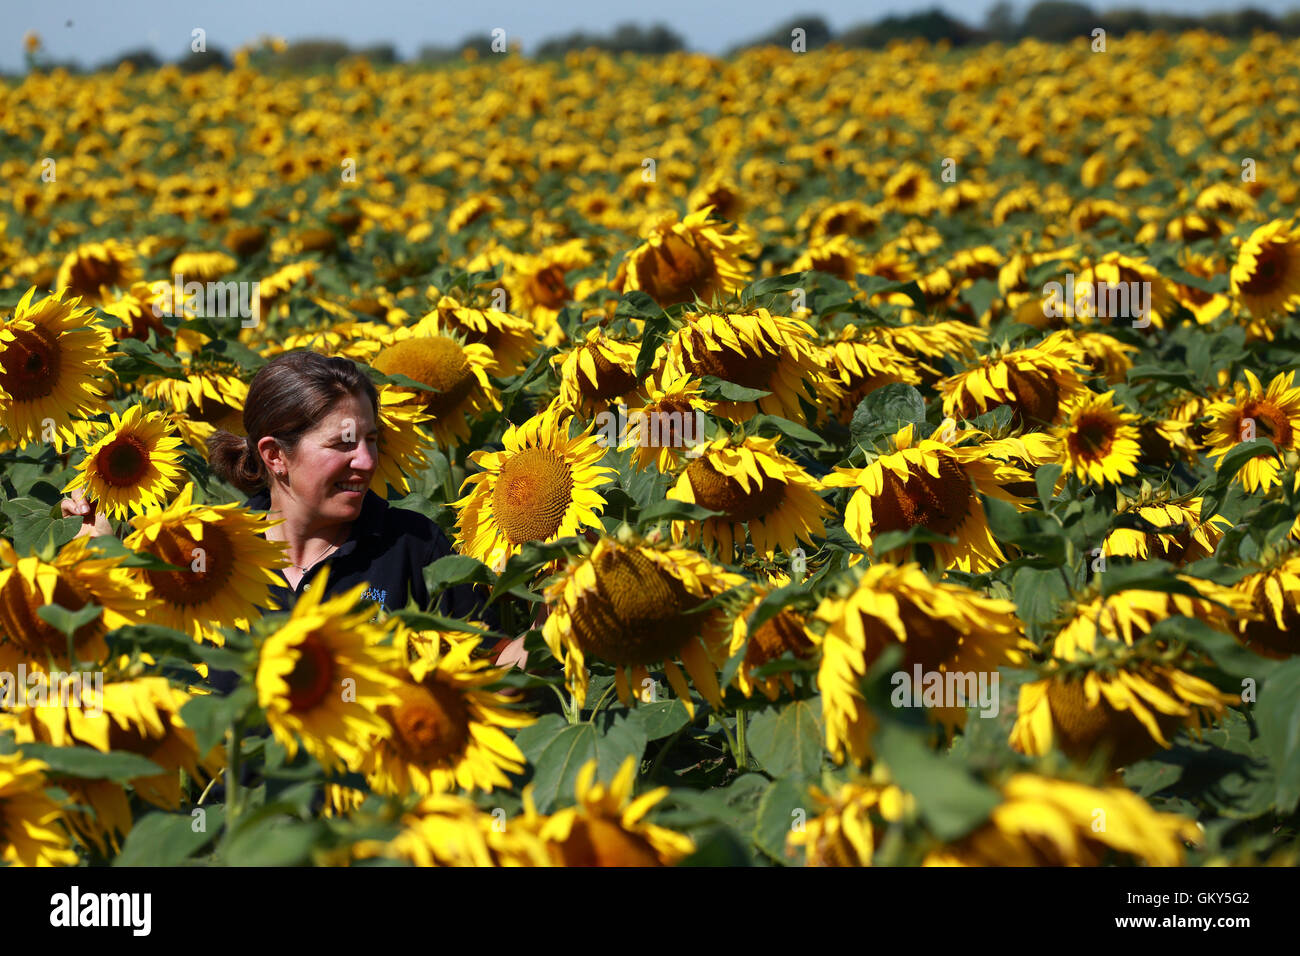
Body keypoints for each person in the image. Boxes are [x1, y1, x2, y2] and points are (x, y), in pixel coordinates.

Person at [62, 350, 528, 685]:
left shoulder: (412, 546)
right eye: (343, 443)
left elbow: (491, 667)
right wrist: (99, 553)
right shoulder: (209, 556)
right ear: (274, 455)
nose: (366, 461)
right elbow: (137, 670)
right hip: (237, 814)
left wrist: (554, 626)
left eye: (371, 440)